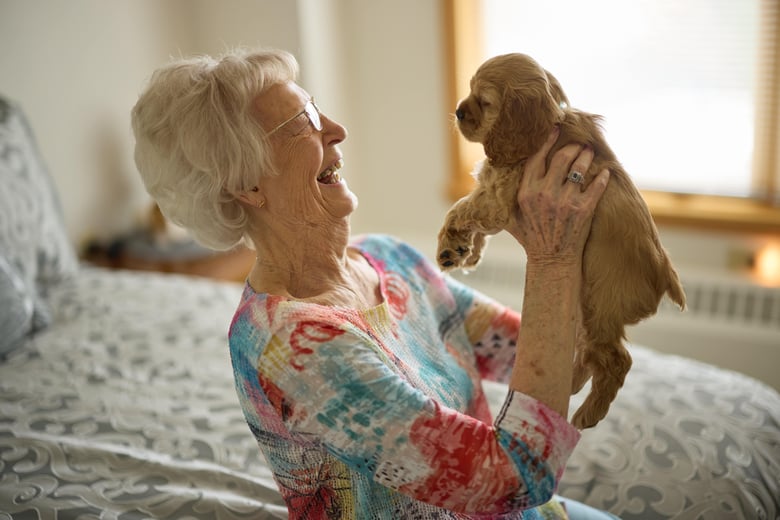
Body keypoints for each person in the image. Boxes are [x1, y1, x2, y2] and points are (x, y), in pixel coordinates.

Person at [131, 48, 618, 520]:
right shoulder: (295, 347)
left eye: (318, 109)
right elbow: (516, 476)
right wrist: (552, 260)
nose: (337, 130)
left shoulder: (387, 257)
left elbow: (528, 348)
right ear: (247, 183)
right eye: (302, 122)